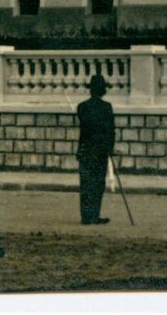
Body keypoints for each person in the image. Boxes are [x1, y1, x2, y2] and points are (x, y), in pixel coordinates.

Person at [75, 72, 115, 225]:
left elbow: (84, 129)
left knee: (86, 184)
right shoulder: (106, 107)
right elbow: (111, 131)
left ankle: (86, 217)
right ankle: (95, 215)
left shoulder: (82, 107)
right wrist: (110, 149)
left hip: (85, 150)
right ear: (102, 90)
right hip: (100, 150)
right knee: (98, 184)